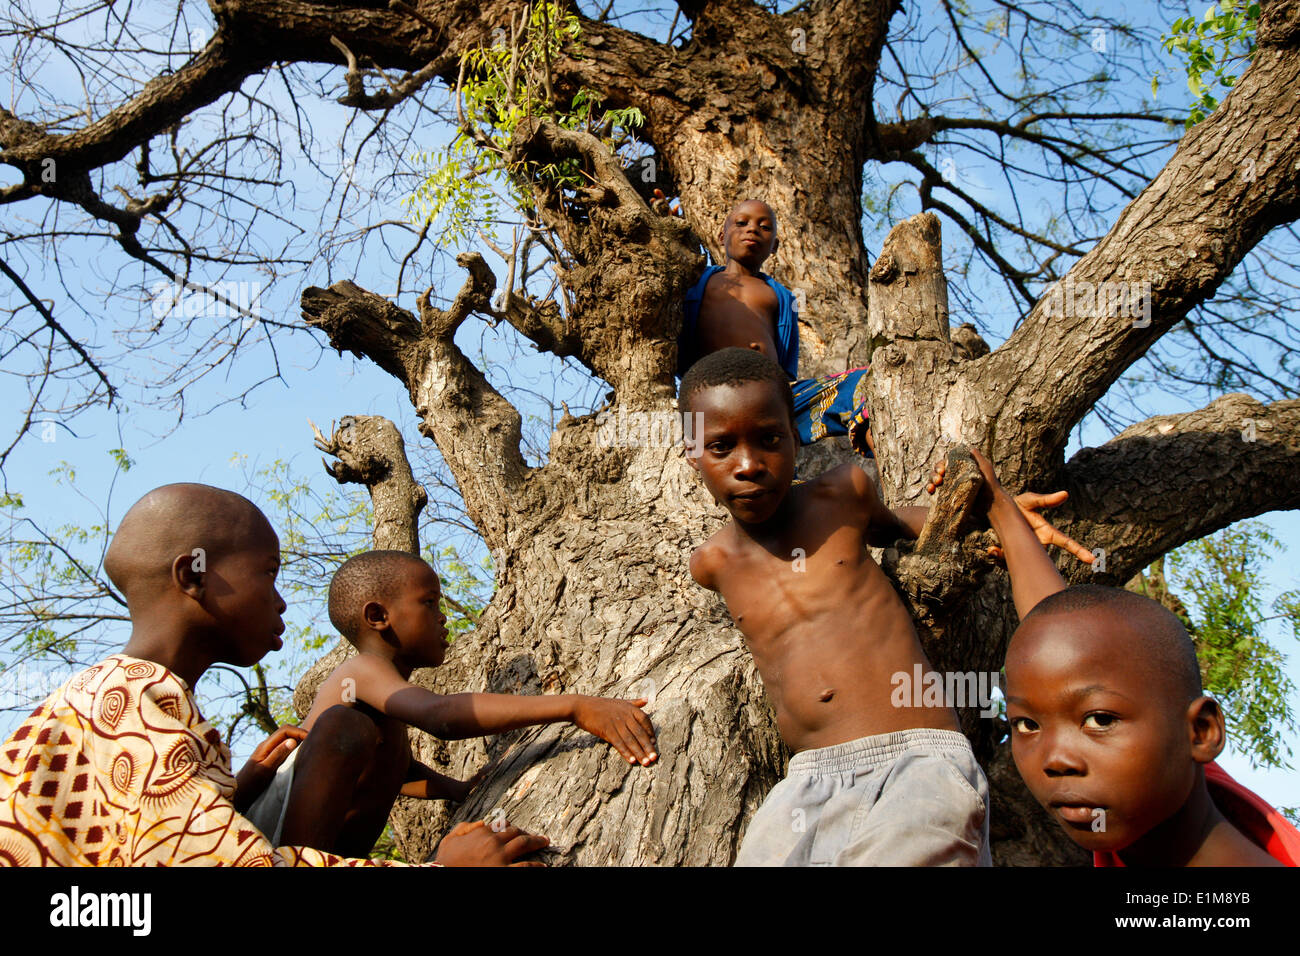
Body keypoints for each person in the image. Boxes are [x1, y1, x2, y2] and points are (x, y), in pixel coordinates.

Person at [679, 348, 1091, 865]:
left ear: (796, 438)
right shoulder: (711, 564)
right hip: (805, 783)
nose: (749, 465)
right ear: (693, 454)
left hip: (915, 760)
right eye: (721, 447)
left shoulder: (841, 494)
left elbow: (902, 523)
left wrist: (992, 515)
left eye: (770, 439)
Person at [0, 483, 547, 866]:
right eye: (268, 573)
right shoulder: (132, 703)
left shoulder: (117, 702)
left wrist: (229, 795)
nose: (282, 601)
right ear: (194, 574)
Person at [245, 549, 658, 856]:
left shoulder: (379, 702)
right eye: (429, 602)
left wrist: (458, 789)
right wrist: (574, 707)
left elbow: (398, 772)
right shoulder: (360, 672)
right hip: (273, 846)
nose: (442, 616)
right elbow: (441, 717)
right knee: (343, 727)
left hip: (324, 854)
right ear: (377, 616)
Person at [990, 473, 1300, 866]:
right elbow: (1064, 639)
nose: (1056, 759)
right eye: (1027, 725)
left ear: (1202, 732)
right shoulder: (1168, 770)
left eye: (1100, 720)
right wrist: (1001, 511)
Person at [675, 197, 874, 457]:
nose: (752, 229)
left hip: (770, 398)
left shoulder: (783, 297)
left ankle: (895, 484)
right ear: (722, 236)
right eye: (741, 222)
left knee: (867, 384)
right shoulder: (698, 281)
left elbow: (786, 364)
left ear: (775, 246)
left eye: (764, 227)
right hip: (712, 396)